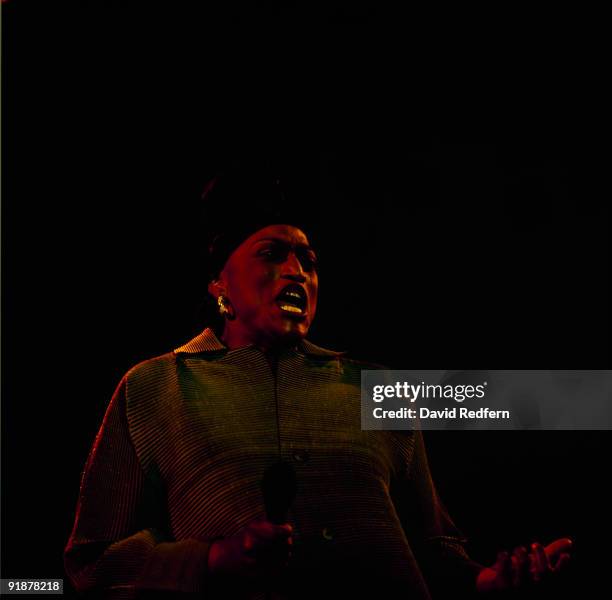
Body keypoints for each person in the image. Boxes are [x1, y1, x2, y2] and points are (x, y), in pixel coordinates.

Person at [64, 170, 572, 599]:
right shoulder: (156, 386)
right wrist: (212, 560)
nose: (296, 273)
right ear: (220, 285)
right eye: (273, 254)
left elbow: (433, 547)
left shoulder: (377, 386)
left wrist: (488, 580)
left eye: (308, 262)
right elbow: (92, 561)